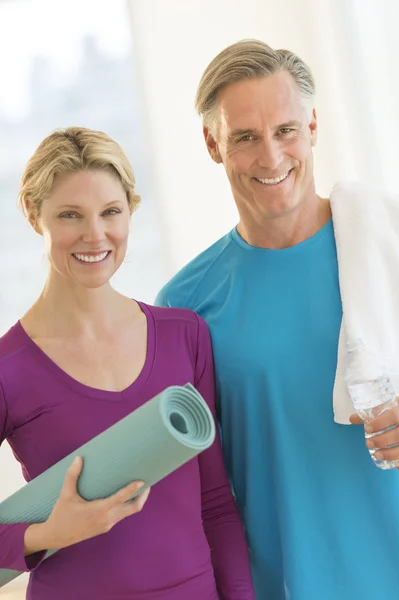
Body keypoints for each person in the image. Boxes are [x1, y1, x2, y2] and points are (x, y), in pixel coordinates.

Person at [156, 39, 399, 600]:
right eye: (245, 138)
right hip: (292, 587)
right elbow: (198, 494)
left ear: (312, 125)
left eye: (285, 130)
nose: (271, 156)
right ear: (213, 144)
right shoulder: (183, 306)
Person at [0, 127, 255, 600]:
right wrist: (48, 534)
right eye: (70, 215)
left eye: (111, 212)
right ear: (36, 216)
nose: (95, 235)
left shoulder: (184, 335)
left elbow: (216, 502)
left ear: (130, 212)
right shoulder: (7, 368)